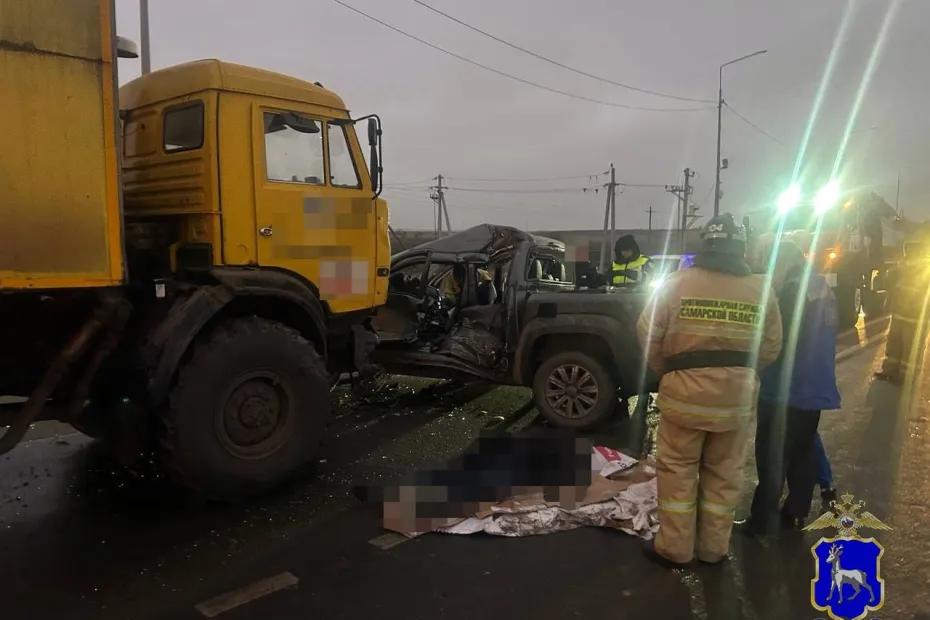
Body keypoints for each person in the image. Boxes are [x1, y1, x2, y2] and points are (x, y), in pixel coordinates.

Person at [637, 214, 782, 566]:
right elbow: (771, 346)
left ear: (706, 244)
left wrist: (670, 372)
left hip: (684, 399)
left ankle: (675, 548)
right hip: (735, 402)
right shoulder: (762, 289)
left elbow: (647, 336)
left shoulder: (675, 284)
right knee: (724, 476)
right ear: (741, 248)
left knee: (678, 474)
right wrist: (739, 374)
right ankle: (714, 549)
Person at [744, 242, 841, 535]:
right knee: (802, 452)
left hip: (784, 389)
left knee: (772, 454)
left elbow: (777, 342)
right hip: (815, 388)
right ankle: (796, 511)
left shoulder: (791, 292)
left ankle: (761, 520)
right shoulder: (822, 288)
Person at [875, 241, 930, 385]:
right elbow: (890, 282)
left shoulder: (925, 269)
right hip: (900, 314)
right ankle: (890, 371)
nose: (907, 253)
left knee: (910, 347)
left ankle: (906, 377)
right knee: (894, 344)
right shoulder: (903, 266)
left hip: (915, 318)